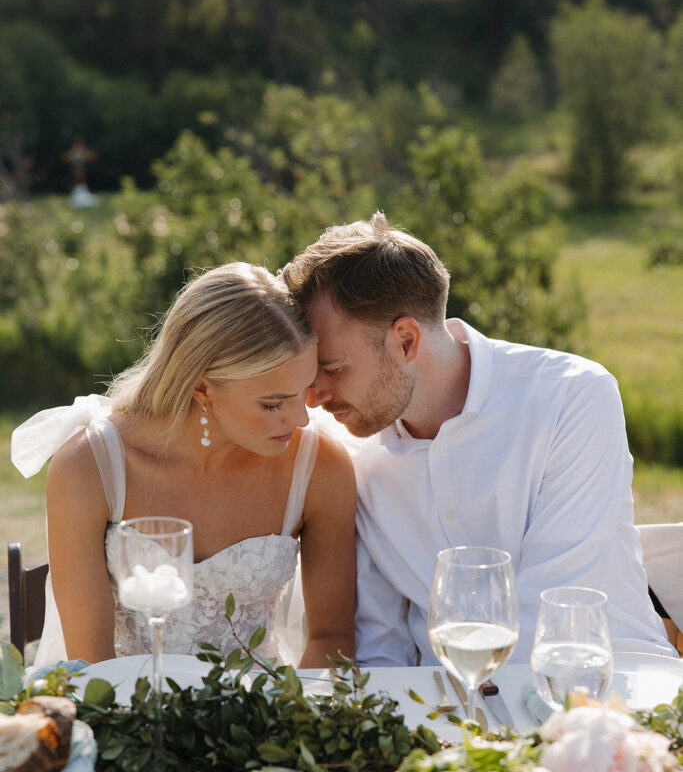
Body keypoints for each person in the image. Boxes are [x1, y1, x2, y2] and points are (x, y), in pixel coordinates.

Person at [281, 211, 675, 665]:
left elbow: (554, 607)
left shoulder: (571, 396)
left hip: (604, 685)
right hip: (441, 708)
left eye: (331, 369)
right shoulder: (347, 446)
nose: (312, 398)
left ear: (406, 341)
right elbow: (377, 642)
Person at [11, 263, 356, 668]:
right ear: (202, 387)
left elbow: (331, 637)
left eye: (306, 390)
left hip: (262, 714)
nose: (300, 419)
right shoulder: (89, 467)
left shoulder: (320, 467)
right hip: (119, 708)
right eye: (273, 403)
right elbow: (93, 668)